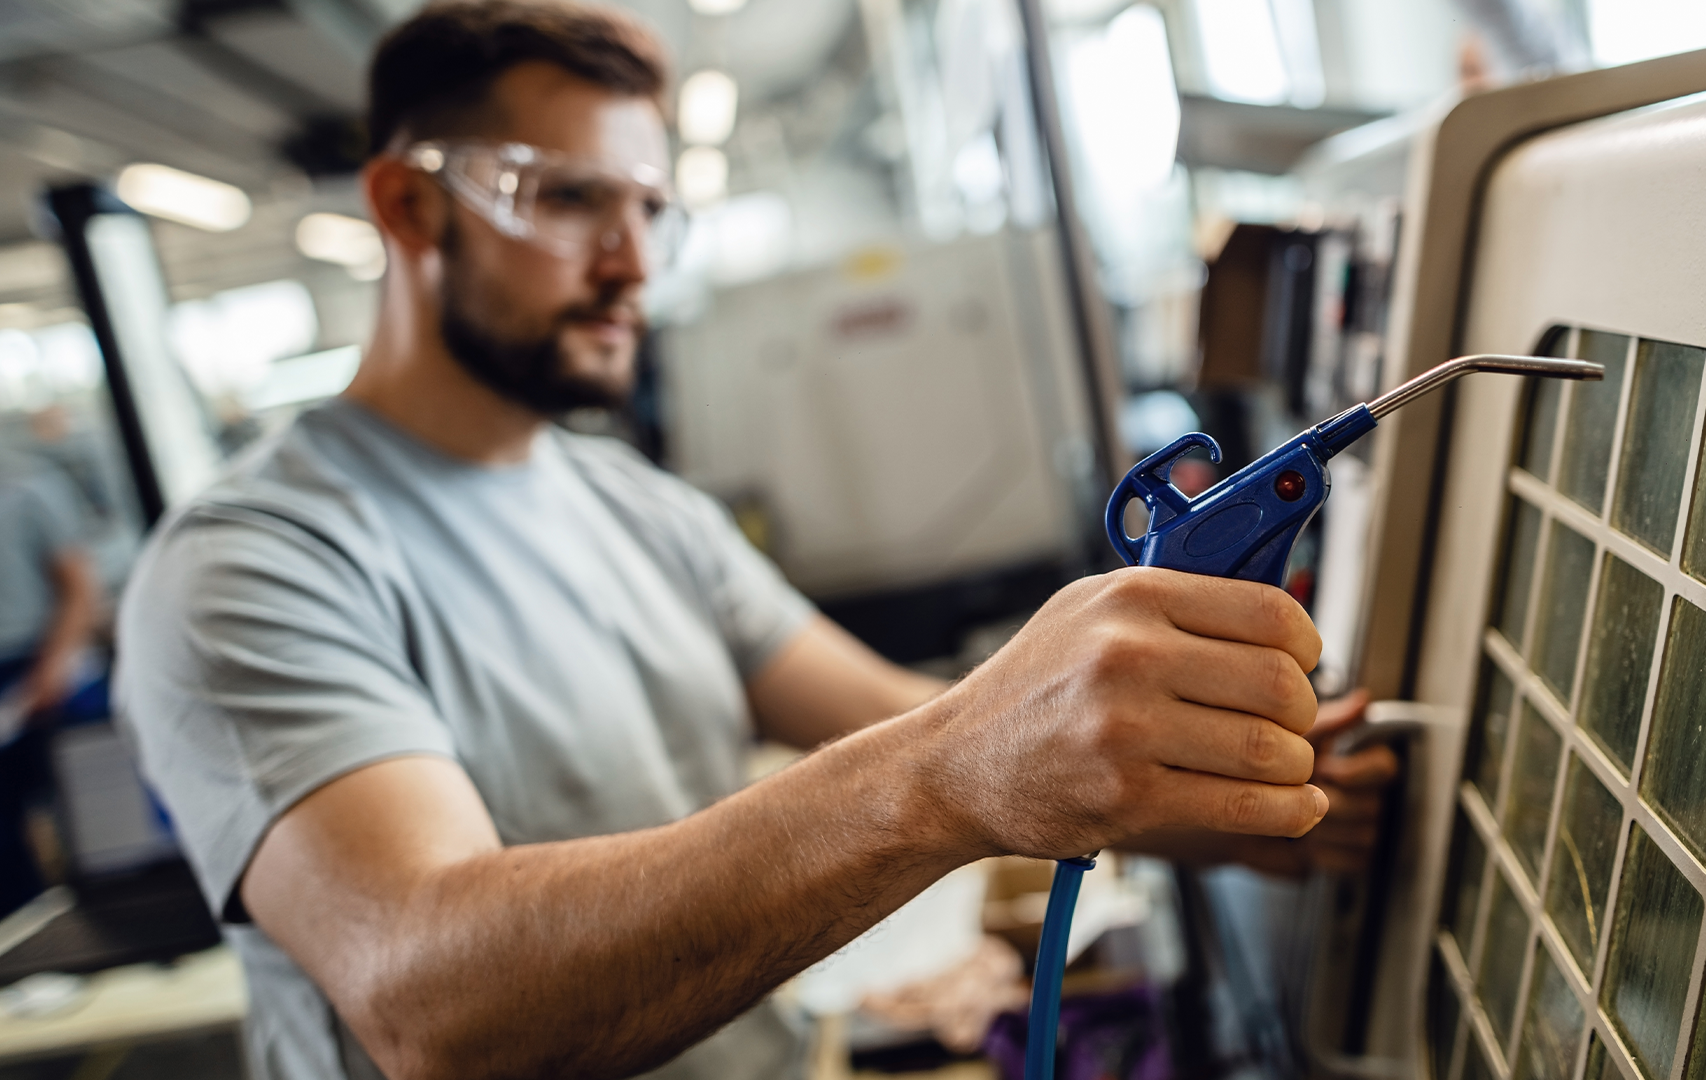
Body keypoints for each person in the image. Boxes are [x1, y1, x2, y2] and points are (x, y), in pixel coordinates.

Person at [113, 3, 1395, 1079]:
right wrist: (946, 771)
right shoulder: (253, 563)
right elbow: (428, 1003)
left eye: (650, 208)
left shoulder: (633, 506)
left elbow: (904, 713)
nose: (630, 262)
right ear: (406, 206)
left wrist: (1241, 797)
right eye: (568, 200)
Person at [0, 446, 97, 916]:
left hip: (32, 666)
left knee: (82, 819)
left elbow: (79, 587)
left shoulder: (28, 483)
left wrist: (52, 668)